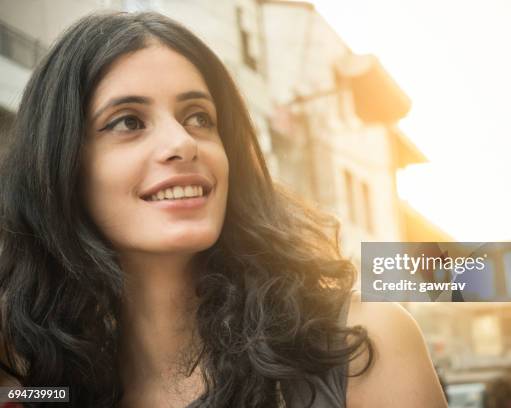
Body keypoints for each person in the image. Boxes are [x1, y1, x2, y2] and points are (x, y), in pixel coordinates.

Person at [0, 11, 446, 408]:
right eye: (128, 122)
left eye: (199, 117)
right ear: (59, 167)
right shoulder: (39, 384)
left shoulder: (363, 348)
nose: (182, 142)